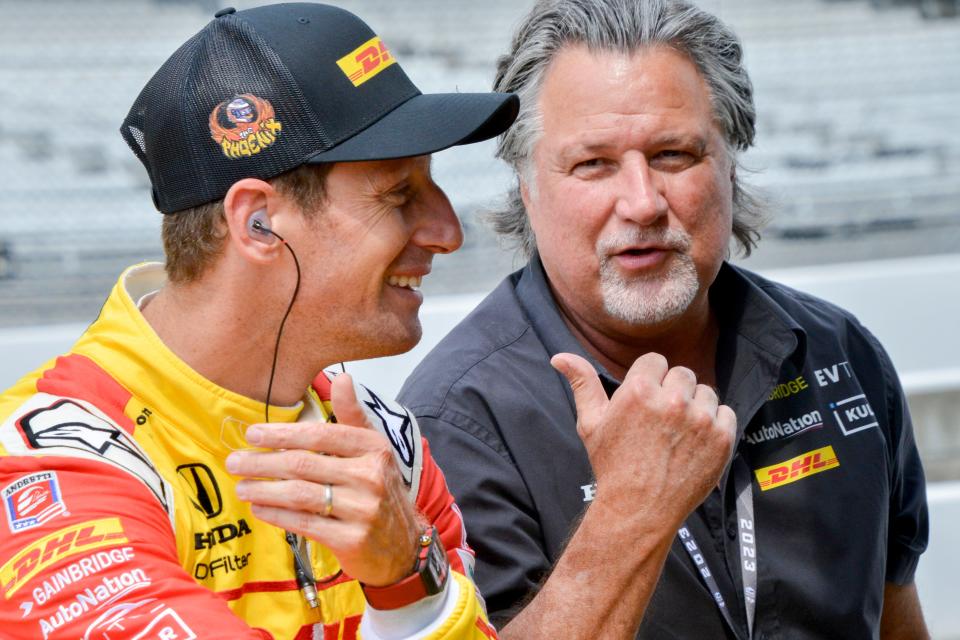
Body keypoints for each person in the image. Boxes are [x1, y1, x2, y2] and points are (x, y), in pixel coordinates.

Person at [398, 0, 930, 638]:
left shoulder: (837, 351)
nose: (642, 202)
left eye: (674, 154)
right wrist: (632, 512)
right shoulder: (455, 422)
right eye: (593, 163)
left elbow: (897, 617)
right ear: (527, 185)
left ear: (730, 162)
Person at [0, 3, 518, 639]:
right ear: (258, 222)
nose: (448, 232)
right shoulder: (50, 470)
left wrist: (407, 588)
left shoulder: (384, 442)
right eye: (397, 193)